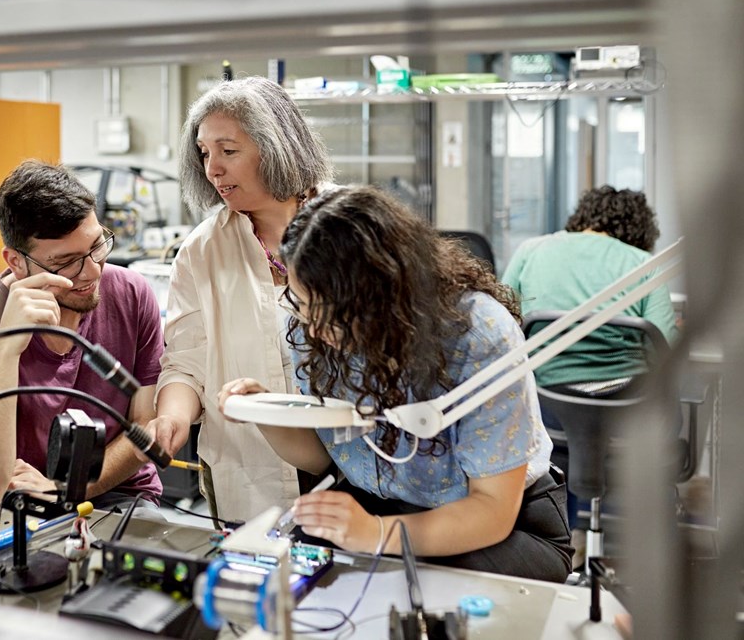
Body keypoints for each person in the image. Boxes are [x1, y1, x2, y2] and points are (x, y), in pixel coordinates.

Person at [220, 185, 574, 583]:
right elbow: (326, 457)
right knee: (298, 579)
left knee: (411, 592)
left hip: (502, 524)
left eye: (329, 312)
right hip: (377, 508)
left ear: (380, 294)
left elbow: (492, 510)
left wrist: (375, 534)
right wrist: (266, 412)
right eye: (302, 304)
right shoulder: (309, 329)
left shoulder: (477, 336)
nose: (314, 329)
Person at [146, 76, 335, 523]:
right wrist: (171, 420)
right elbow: (187, 361)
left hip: (351, 468)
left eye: (228, 151)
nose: (212, 169)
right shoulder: (202, 250)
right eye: (205, 154)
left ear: (277, 147)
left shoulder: (350, 226)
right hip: (250, 473)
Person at [0, 160, 165, 521]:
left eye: (98, 246)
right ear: (16, 263)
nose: (92, 271)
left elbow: (145, 426)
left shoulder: (132, 293)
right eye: (66, 262)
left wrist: (64, 490)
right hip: (19, 505)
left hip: (118, 494)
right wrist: (6, 349)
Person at [501, 185, 678, 388]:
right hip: (627, 401)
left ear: (582, 216)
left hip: (547, 397)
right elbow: (666, 346)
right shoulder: (644, 264)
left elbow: (501, 322)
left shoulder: (530, 250)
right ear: (640, 231)